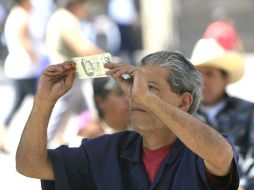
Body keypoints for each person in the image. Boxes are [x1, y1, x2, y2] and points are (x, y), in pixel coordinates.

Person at [16, 51, 239, 189]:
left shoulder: (201, 151)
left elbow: (220, 155)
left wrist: (147, 98)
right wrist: (44, 101)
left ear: (184, 102)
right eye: (135, 86)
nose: (136, 95)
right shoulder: (105, 150)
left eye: (150, 87)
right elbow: (30, 165)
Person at [191, 38, 254, 190]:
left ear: (225, 78)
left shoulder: (248, 111)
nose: (203, 81)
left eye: (210, 74)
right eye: (198, 75)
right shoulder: (184, 115)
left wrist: (244, 186)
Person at [45, 0, 103, 145]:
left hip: (72, 75)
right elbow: (82, 48)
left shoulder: (61, 16)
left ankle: (91, 146)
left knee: (89, 111)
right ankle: (40, 149)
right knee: (59, 115)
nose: (87, 9)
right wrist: (108, 58)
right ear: (77, 5)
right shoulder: (66, 19)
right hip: (67, 76)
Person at [0, 0, 40, 152]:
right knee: (43, 102)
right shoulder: (21, 16)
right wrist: (38, 60)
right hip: (25, 68)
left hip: (21, 67)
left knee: (19, 104)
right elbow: (25, 41)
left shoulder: (16, 14)